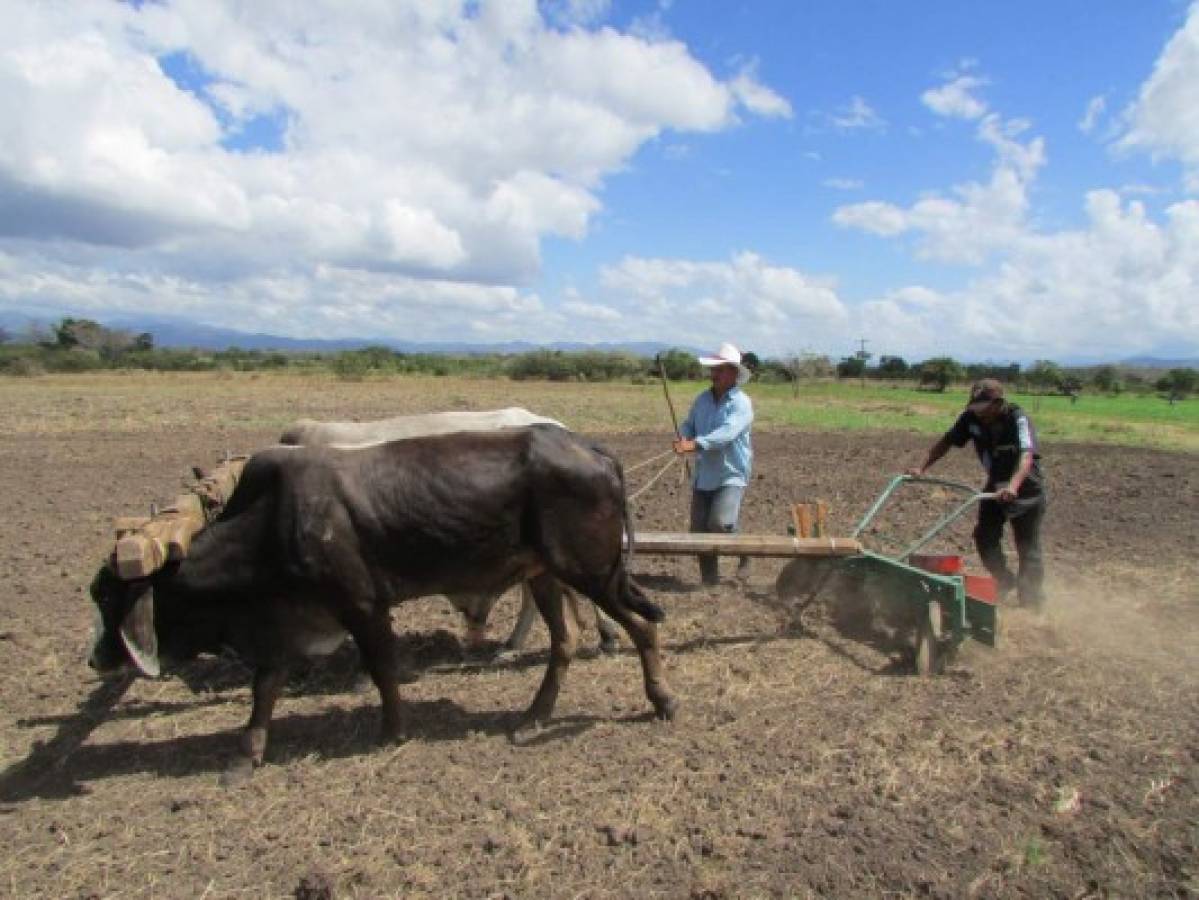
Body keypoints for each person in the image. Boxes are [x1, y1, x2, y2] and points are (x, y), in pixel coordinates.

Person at [908, 378, 1047, 608]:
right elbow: (947, 441)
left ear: (998, 403)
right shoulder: (970, 419)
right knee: (984, 537)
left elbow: (1026, 456)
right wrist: (921, 467)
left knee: (1027, 546)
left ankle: (1031, 602)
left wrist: (1013, 486)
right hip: (995, 487)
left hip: (1026, 489)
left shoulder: (1017, 418)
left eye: (983, 408)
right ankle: (1004, 579)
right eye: (975, 408)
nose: (979, 414)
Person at [672, 343, 754, 585]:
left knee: (719, 524)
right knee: (698, 530)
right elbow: (689, 424)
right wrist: (683, 436)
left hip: (731, 473)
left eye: (719, 369)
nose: (714, 374)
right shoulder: (702, 399)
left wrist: (695, 445)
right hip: (704, 474)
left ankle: (745, 552)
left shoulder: (741, 403)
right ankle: (709, 579)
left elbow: (727, 434)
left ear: (733, 373)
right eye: (713, 369)